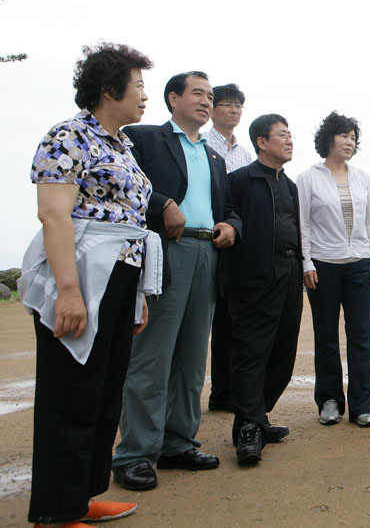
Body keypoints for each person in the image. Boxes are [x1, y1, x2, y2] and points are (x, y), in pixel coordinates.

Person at [19, 43, 160, 526]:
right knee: (71, 392)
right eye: (138, 85)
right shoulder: (68, 136)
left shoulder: (122, 144)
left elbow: (133, 219)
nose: (145, 95)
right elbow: (54, 215)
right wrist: (69, 291)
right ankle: (55, 513)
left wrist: (138, 295)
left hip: (121, 274)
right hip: (80, 272)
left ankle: (79, 497)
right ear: (107, 88)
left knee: (104, 390)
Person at [112, 71, 241, 491]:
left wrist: (231, 227)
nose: (207, 101)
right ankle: (135, 453)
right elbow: (122, 182)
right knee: (153, 353)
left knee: (190, 357)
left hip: (208, 252)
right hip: (167, 250)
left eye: (210, 95)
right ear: (173, 98)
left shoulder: (215, 156)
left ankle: (177, 441)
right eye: (198, 94)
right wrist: (162, 203)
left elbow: (230, 208)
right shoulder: (146, 138)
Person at [297, 111, 370, 428]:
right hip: (323, 265)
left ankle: (362, 405)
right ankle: (330, 401)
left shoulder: (362, 178)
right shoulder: (308, 178)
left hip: (359, 264)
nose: (349, 142)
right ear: (328, 139)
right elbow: (303, 225)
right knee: (326, 336)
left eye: (353, 137)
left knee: (360, 336)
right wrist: (306, 262)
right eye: (343, 135)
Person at [226, 114, 303, 464]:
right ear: (261, 141)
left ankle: (257, 416)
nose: (289, 141)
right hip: (255, 274)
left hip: (290, 271)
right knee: (252, 352)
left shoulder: (290, 186)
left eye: (290, 136)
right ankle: (248, 429)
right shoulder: (240, 181)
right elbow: (229, 218)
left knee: (283, 354)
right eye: (282, 135)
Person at [204, 83, 255, 413]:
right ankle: (219, 392)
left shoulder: (245, 153)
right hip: (208, 235)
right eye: (226, 104)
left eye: (238, 105)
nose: (233, 110)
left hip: (236, 239)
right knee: (212, 318)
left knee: (233, 320)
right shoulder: (202, 144)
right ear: (211, 108)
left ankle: (227, 392)